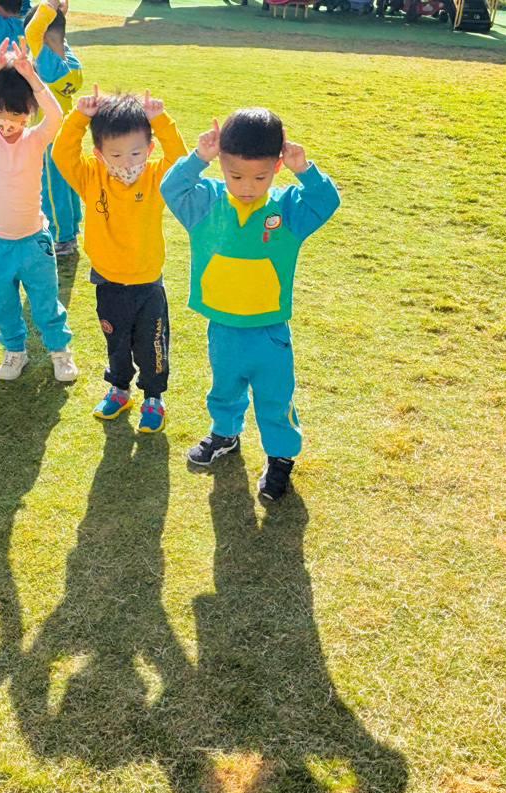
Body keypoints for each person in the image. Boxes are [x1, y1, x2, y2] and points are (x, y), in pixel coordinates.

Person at [161, 109, 340, 499]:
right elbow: (171, 188)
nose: (247, 187)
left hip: (269, 331)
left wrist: (303, 169)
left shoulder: (288, 209)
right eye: (235, 175)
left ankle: (281, 457)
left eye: (260, 177)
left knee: (275, 397)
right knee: (224, 387)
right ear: (222, 164)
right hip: (222, 325)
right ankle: (225, 433)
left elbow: (326, 201)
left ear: (276, 166)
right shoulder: (206, 203)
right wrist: (198, 158)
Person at [52, 84, 186, 432]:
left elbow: (181, 164)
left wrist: (160, 120)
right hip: (108, 280)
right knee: (116, 341)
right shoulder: (90, 176)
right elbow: (61, 153)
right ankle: (119, 389)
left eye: (136, 153)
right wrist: (79, 117)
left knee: (152, 346)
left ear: (150, 149)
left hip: (147, 283)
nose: (127, 163)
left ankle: (153, 398)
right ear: (98, 154)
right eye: (115, 154)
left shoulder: (155, 177)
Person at [0, 38, 76, 383]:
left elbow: (56, 114)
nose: (6, 121)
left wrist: (32, 77)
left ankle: (59, 351)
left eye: (16, 113)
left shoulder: (36, 138)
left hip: (34, 243)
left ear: (29, 110)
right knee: (1, 305)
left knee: (45, 303)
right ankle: (14, 351)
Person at [24, 0, 82, 255]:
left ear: (44, 39)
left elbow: (33, 32)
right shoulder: (69, 63)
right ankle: (71, 229)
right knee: (68, 182)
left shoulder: (48, 66)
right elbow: (59, 40)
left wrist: (49, 6)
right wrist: (58, 15)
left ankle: (61, 237)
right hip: (69, 130)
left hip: (50, 135)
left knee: (52, 187)